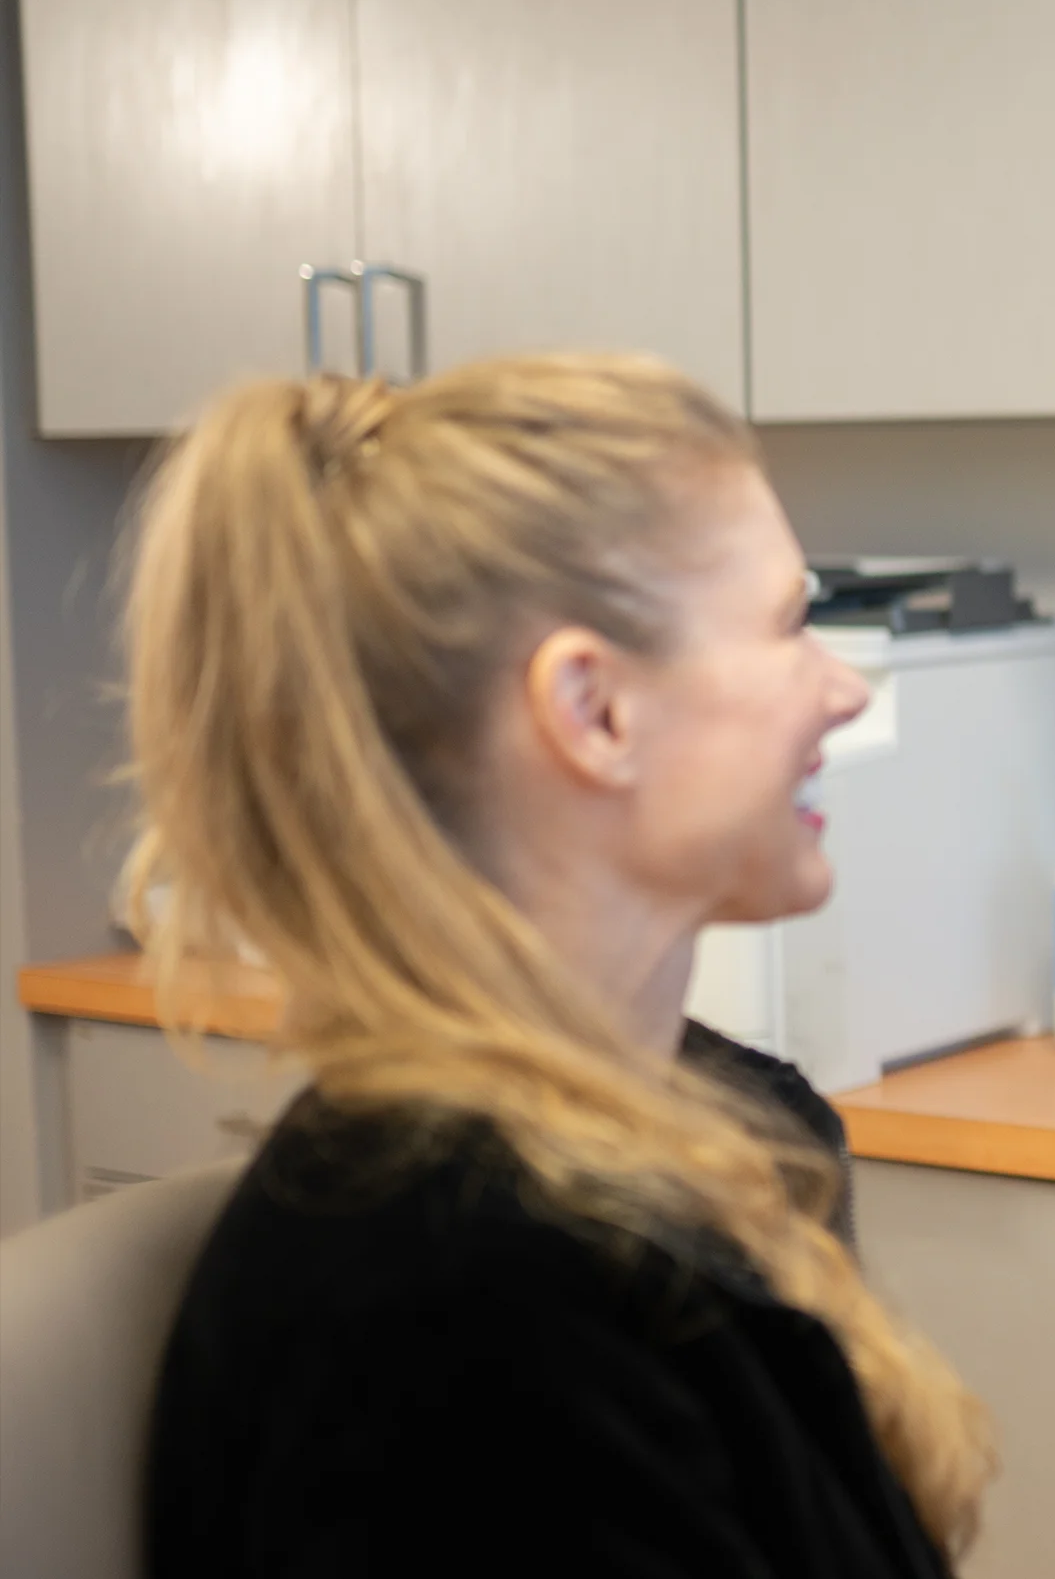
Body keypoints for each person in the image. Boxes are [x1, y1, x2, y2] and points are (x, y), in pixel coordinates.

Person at [126, 355, 992, 1577]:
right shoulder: (453, 1313)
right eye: (791, 625)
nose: (844, 688)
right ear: (594, 709)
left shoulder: (725, 1132)